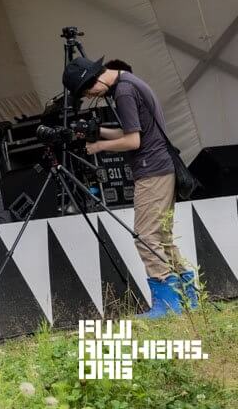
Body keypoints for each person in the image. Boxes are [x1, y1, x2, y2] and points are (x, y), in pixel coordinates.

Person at [64, 55, 195, 316]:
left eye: (89, 91)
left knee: (145, 236)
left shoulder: (123, 92)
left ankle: (167, 303)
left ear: (96, 78)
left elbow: (133, 141)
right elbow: (136, 131)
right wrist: (98, 130)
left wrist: (99, 146)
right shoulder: (131, 83)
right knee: (162, 237)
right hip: (162, 167)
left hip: (151, 171)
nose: (92, 95)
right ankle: (189, 297)